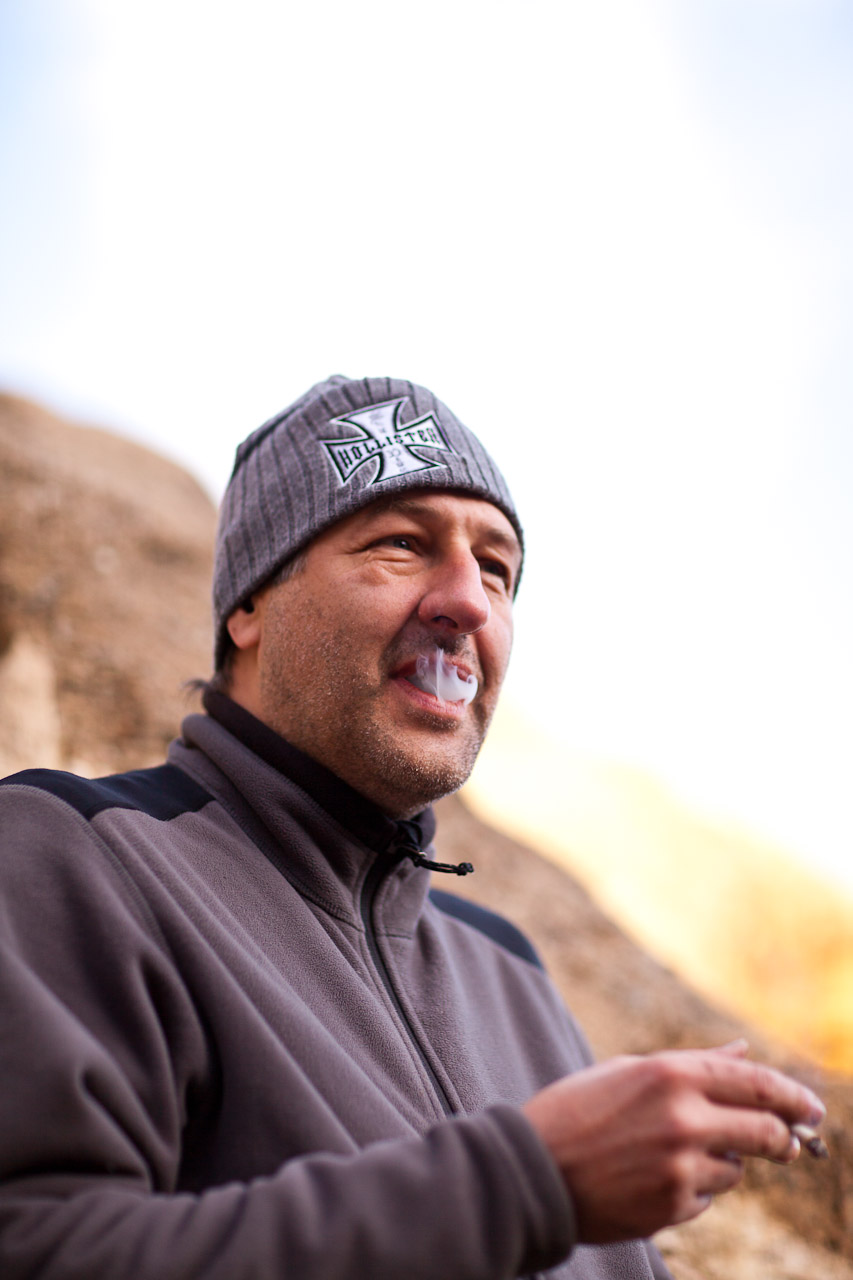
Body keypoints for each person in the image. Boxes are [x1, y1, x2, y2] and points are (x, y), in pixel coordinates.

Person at [0, 375, 825, 1280]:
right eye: (400, 543)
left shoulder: (511, 976)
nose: (469, 602)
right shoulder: (70, 856)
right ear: (250, 604)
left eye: (497, 568)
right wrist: (525, 1184)